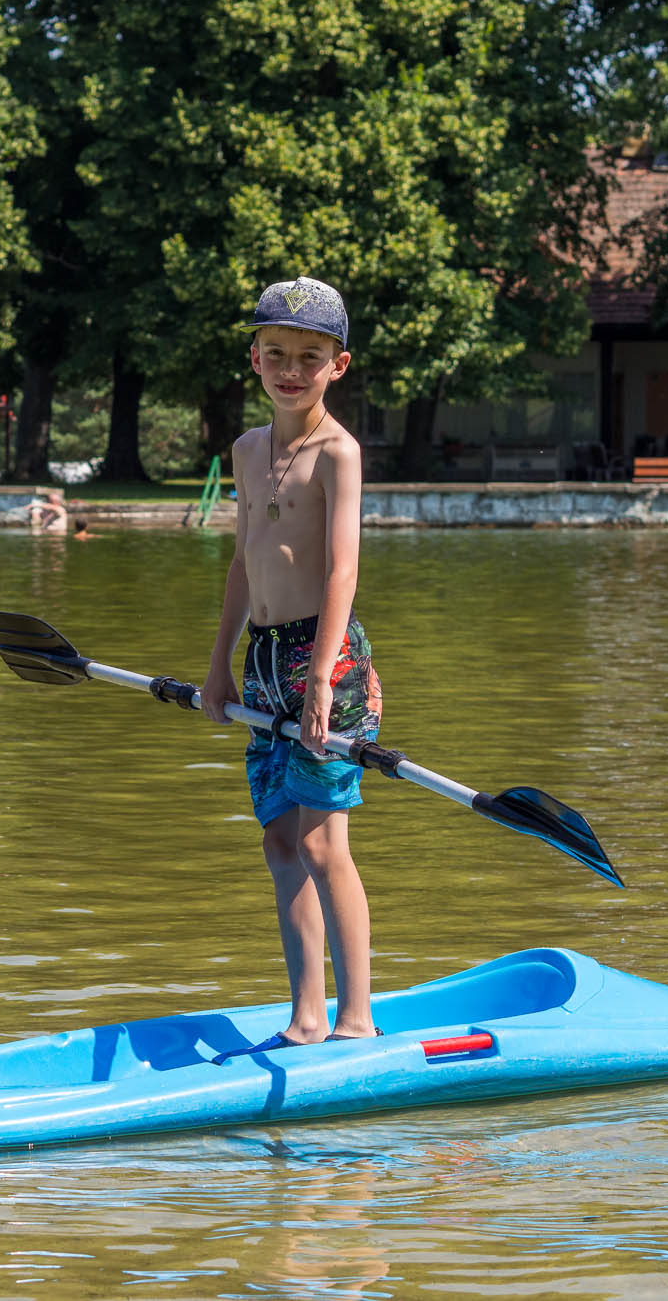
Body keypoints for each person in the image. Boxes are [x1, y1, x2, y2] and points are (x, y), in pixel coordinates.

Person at [202, 276, 382, 1054]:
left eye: (309, 357)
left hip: (326, 660)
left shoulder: (338, 454)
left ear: (336, 365)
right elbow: (244, 561)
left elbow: (343, 568)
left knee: (322, 844)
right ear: (254, 358)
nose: (290, 369)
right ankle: (307, 1014)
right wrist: (218, 664)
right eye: (276, 353)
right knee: (279, 843)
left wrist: (318, 674)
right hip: (265, 657)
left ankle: (357, 1017)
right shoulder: (246, 450)